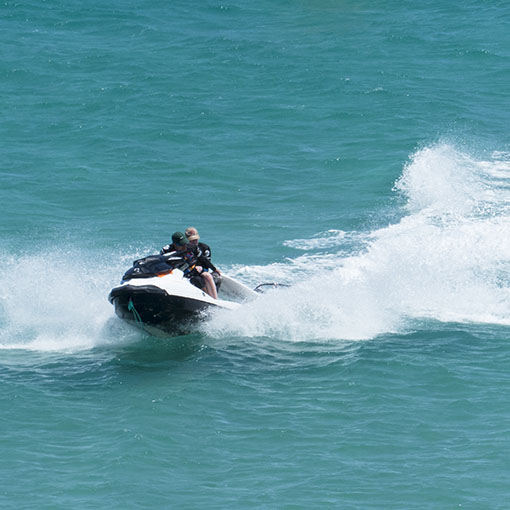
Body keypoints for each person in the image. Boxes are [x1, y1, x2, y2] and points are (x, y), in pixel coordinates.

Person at [161, 231, 219, 299]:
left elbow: (202, 259)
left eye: (184, 243)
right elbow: (159, 261)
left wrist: (214, 269)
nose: (184, 246)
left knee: (205, 277)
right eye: (181, 245)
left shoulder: (192, 247)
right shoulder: (166, 250)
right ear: (174, 244)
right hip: (175, 274)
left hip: (191, 271)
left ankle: (213, 300)